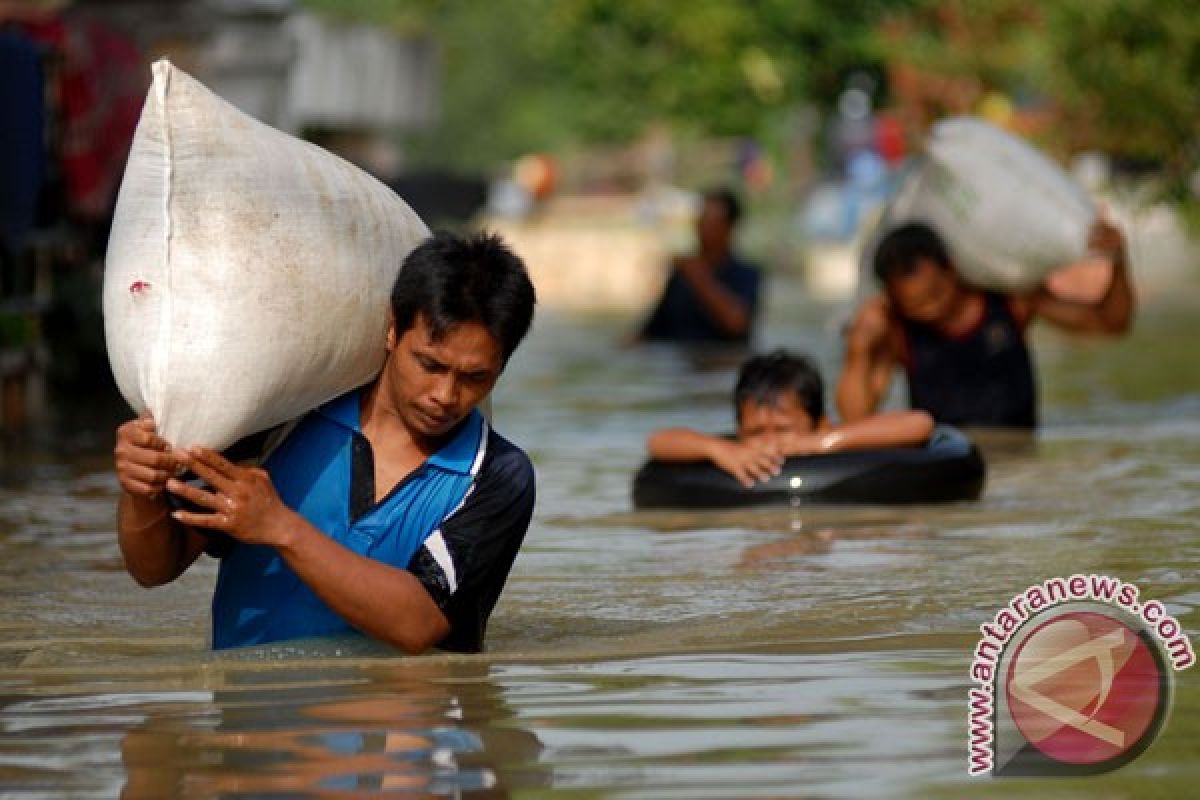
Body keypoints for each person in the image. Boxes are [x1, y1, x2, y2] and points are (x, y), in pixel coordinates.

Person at [113, 231, 537, 653]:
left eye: (475, 377)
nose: (445, 395)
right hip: (251, 714)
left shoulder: (496, 476)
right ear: (392, 330)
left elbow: (418, 621)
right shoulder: (280, 421)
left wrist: (280, 527)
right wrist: (141, 491)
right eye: (429, 364)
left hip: (404, 718)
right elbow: (154, 569)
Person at [837, 219, 1133, 428]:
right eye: (914, 306)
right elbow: (856, 419)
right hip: (952, 462)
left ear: (952, 269)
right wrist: (858, 349)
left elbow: (1110, 321)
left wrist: (1118, 262)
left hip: (1021, 455)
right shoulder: (896, 331)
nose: (930, 311)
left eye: (936, 295)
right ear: (892, 298)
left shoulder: (1012, 300)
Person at [647, 349, 933, 487]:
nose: (770, 442)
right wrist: (719, 450)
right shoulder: (734, 451)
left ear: (819, 423)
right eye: (756, 432)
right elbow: (658, 441)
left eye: (783, 430)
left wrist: (822, 443)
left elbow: (919, 423)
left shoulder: (828, 439)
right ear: (738, 430)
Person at [633, 187, 762, 344]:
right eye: (701, 221)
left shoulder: (746, 274)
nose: (702, 229)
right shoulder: (680, 277)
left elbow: (737, 323)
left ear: (729, 227)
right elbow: (650, 331)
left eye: (711, 222)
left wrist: (698, 276)